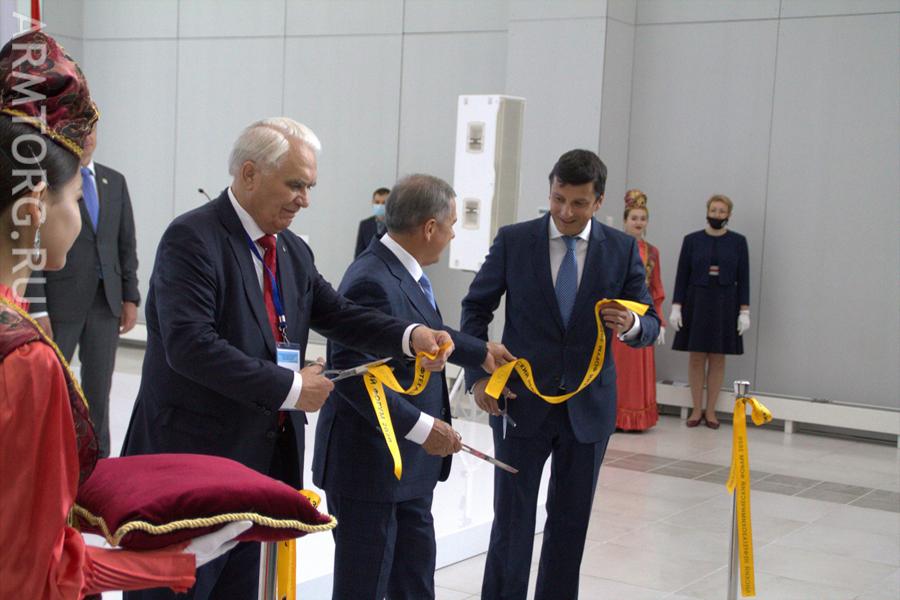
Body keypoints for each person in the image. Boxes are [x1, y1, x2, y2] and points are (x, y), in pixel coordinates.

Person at [121, 117, 455, 600]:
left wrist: (410, 335)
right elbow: (190, 346)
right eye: (296, 184)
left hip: (259, 470)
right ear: (249, 173)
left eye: (310, 186)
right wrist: (293, 388)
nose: (305, 199)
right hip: (189, 468)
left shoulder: (292, 252)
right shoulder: (192, 238)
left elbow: (338, 313)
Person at [0, 29, 246, 599]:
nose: (78, 213)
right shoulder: (24, 360)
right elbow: (30, 572)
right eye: (71, 200)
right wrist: (174, 562)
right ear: (35, 208)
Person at [461, 149, 660, 600]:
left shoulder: (621, 249)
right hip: (518, 404)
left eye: (579, 203)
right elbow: (475, 308)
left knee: (570, 527)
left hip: (588, 410)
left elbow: (650, 322)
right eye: (558, 199)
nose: (566, 212)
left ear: (599, 201)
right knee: (512, 524)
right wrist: (479, 375)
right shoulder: (515, 241)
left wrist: (632, 325)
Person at [313, 174, 514, 600]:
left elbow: (426, 331)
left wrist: (480, 352)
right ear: (429, 227)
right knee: (365, 587)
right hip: (371, 468)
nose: (453, 234)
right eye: (451, 224)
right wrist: (423, 428)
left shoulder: (403, 271)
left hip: (408, 467)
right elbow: (352, 375)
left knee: (414, 583)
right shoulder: (371, 279)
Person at [26, 121, 140, 457]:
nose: (87, 138)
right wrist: (38, 307)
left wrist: (130, 296)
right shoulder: (51, 180)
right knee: (53, 387)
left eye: (92, 131)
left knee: (99, 390)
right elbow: (31, 246)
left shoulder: (114, 181)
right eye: (80, 132)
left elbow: (125, 243)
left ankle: (97, 459)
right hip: (61, 302)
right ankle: (48, 456)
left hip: (106, 303)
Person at [669, 194, 750, 429]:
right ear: (707, 211)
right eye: (713, 210)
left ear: (729, 215)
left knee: (717, 356)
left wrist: (744, 311)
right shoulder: (692, 240)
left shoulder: (738, 242)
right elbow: (682, 275)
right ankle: (696, 409)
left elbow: (744, 278)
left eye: (722, 211)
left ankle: (711, 411)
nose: (717, 215)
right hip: (697, 300)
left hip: (725, 301)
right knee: (696, 356)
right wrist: (676, 306)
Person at [610, 189, 667, 431]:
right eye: (634, 218)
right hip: (618, 314)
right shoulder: (614, 246)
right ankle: (613, 415)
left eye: (642, 218)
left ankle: (635, 418)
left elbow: (656, 288)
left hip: (641, 316)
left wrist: (659, 321)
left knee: (636, 370)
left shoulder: (652, 252)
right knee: (616, 368)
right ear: (625, 220)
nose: (638, 222)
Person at [354, 186, 390, 257]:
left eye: (384, 203)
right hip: (369, 263)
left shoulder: (397, 225)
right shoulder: (365, 225)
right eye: (377, 202)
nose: (380, 206)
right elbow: (359, 254)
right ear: (372, 203)